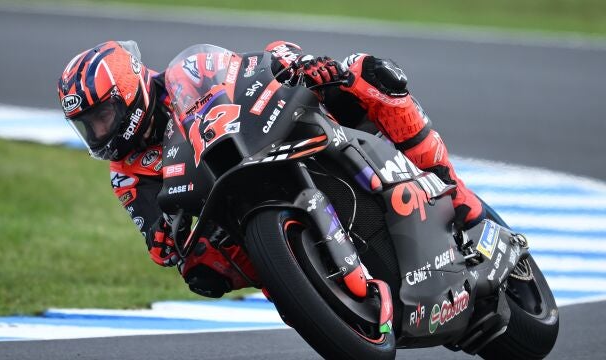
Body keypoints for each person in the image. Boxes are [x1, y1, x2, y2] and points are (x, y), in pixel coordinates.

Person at [57, 40, 484, 298]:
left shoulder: (183, 75)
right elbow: (157, 244)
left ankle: (452, 186)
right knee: (200, 269)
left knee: (365, 72)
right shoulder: (126, 172)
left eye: (101, 117)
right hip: (229, 199)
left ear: (129, 92)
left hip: (269, 136)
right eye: (86, 126)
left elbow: (253, 63)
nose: (97, 131)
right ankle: (312, 299)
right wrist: (163, 234)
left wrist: (296, 62)